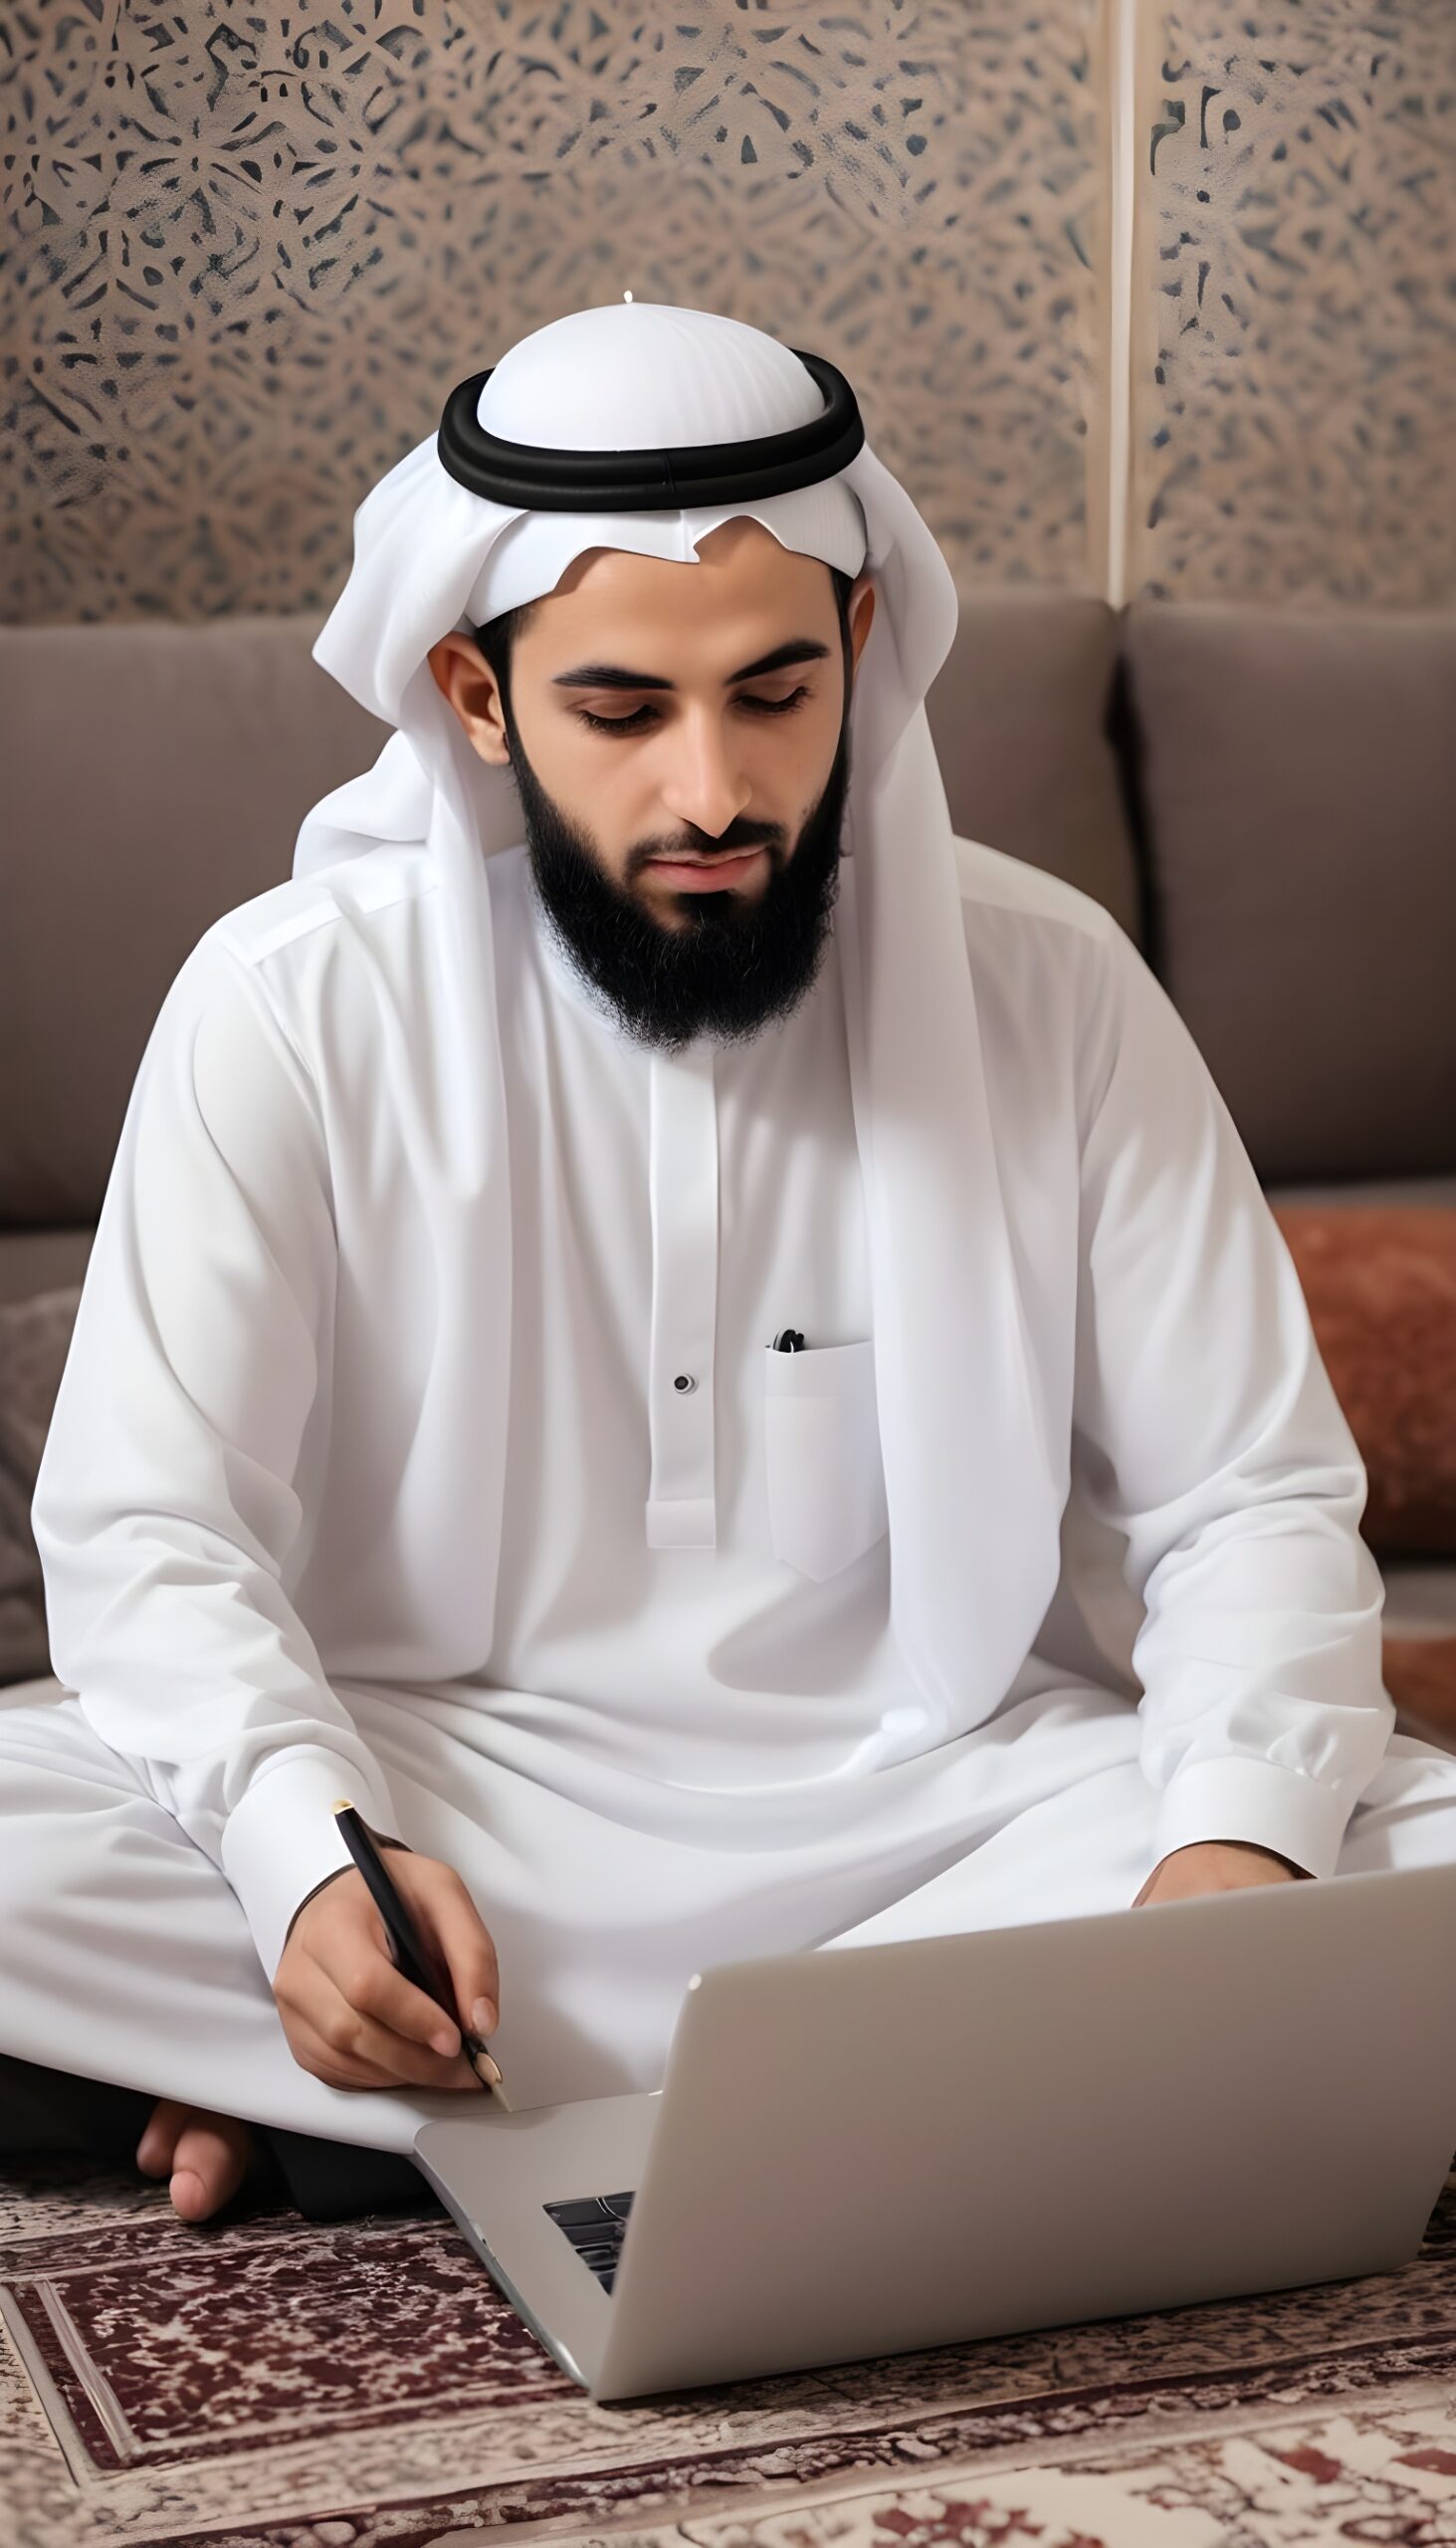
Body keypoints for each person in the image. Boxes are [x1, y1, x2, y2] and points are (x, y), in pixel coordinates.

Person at [5, 301, 1456, 2230]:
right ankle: (944, 2091)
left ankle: (376, 2108)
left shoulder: (1056, 988)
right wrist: (307, 1861)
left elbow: (1246, 1494)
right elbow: (155, 1534)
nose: (712, 790)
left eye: (775, 694)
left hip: (953, 1812)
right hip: (454, 1806)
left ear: (864, 648)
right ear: (476, 689)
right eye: (625, 710)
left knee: (1381, 1841)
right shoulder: (289, 1006)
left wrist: (1226, 1877)